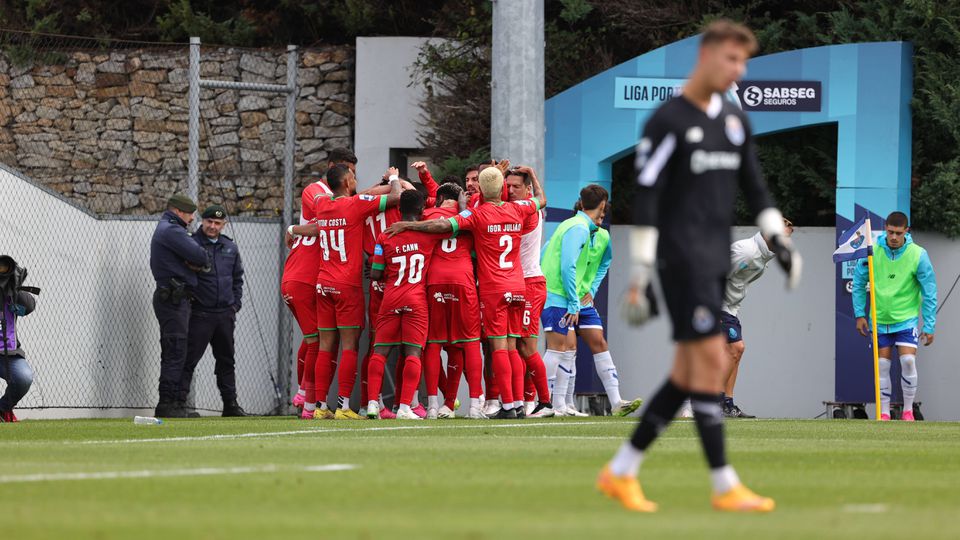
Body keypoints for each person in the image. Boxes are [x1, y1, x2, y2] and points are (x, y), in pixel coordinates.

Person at [601, 20, 801, 513]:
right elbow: (647, 197)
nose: (739, 71)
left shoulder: (733, 123)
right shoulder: (668, 120)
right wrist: (643, 270)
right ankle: (723, 484)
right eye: (732, 61)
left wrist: (779, 240)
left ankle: (622, 471)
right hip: (678, 259)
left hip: (713, 258)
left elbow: (756, 188)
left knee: (692, 372)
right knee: (711, 360)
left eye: (743, 63)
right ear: (708, 57)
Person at [387, 166, 546, 419]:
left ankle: (503, 406)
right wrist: (533, 176)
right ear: (504, 189)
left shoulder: (476, 214)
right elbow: (542, 200)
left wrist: (408, 225)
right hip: (518, 286)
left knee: (497, 348)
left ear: (481, 190)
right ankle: (515, 402)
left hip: (491, 288)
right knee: (513, 347)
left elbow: (441, 226)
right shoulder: (519, 208)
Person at [287, 164, 403, 420]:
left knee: (326, 346)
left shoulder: (323, 205)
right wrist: (394, 177)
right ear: (347, 181)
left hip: (323, 284)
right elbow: (396, 197)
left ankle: (319, 406)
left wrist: (292, 229)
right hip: (346, 285)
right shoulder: (356, 204)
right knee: (349, 346)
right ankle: (343, 407)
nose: (356, 180)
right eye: (353, 177)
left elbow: (314, 227)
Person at [540, 185, 643, 417]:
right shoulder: (575, 228)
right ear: (600, 206)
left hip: (581, 298)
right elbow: (559, 261)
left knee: (597, 342)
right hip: (563, 297)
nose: (603, 215)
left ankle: (615, 402)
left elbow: (605, 263)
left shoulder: (601, 235)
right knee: (565, 348)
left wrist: (592, 290)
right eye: (603, 210)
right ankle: (550, 403)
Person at [359, 162, 439, 419]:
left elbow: (377, 272)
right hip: (416, 298)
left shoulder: (386, 236)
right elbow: (443, 227)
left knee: (380, 350)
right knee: (413, 351)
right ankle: (405, 406)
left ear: (399, 209)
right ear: (421, 209)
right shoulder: (428, 235)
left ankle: (372, 403)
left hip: (391, 296)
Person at [852, 211, 937, 421]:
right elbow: (858, 284)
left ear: (906, 231)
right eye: (890, 232)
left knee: (908, 361)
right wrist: (859, 314)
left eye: (898, 233)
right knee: (882, 366)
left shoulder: (918, 254)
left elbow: (930, 291)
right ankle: (884, 413)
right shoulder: (871, 251)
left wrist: (929, 325)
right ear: (886, 229)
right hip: (879, 320)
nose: (894, 237)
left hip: (906, 319)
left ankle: (908, 411)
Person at [719, 218, 795, 418]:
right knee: (737, 348)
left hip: (730, 308)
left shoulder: (762, 256)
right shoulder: (747, 251)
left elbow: (738, 285)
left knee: (734, 353)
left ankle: (726, 404)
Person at [422, 182, 485, 419]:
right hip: (463, 280)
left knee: (434, 342)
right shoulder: (469, 215)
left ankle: (432, 406)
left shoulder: (427, 214)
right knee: (468, 342)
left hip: (435, 280)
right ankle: (475, 407)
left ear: (438, 200)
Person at [180, 205, 248, 417]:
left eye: (217, 223)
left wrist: (235, 304)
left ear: (223, 225)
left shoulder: (230, 247)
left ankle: (230, 405)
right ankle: (179, 404)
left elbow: (237, 278)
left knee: (226, 360)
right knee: (189, 359)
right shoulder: (191, 244)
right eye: (209, 221)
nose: (212, 226)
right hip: (200, 313)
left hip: (225, 314)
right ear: (202, 221)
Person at [149, 193, 211, 418]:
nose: (193, 218)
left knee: (176, 350)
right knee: (175, 350)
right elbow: (201, 256)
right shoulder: (172, 231)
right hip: (173, 299)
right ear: (178, 212)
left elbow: (198, 258)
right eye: (190, 213)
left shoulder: (169, 229)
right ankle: (167, 403)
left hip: (175, 298)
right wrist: (194, 261)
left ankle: (174, 402)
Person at [504, 166, 553, 418]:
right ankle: (526, 401)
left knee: (525, 347)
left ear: (527, 189)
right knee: (518, 344)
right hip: (519, 284)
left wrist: (533, 174)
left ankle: (545, 402)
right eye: (508, 186)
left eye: (516, 186)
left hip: (530, 285)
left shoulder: (525, 212)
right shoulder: (527, 207)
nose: (510, 191)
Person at [0, 256, 37, 423]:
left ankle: (2, 408)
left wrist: (15, 287)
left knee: (23, 378)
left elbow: (28, 307)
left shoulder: (11, 294)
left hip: (7, 353)